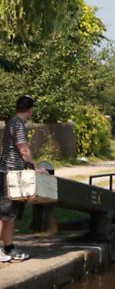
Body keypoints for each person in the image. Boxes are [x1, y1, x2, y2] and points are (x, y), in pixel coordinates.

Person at [0, 95, 46, 261]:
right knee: (5, 213)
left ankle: (9, 247)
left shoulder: (11, 122)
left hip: (11, 172)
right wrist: (35, 167)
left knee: (10, 214)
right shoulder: (17, 124)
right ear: (30, 110)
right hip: (11, 173)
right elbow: (23, 150)